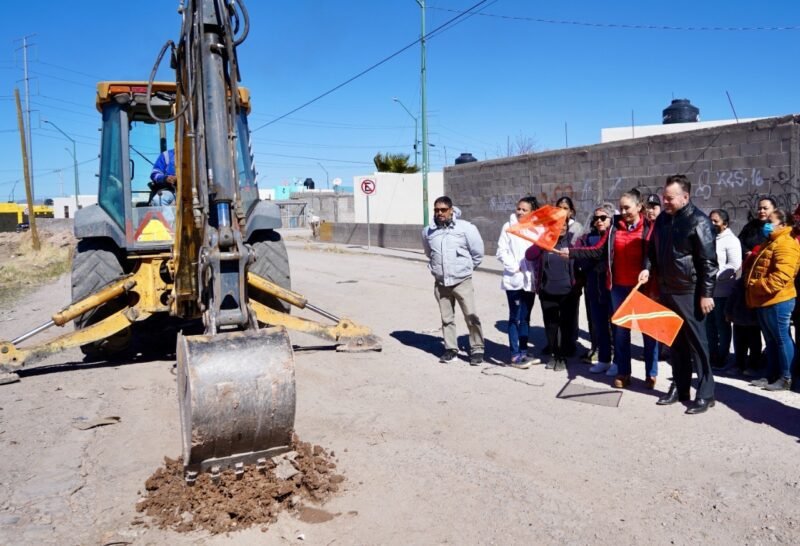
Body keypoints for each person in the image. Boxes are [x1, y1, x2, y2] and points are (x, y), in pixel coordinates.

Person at [639, 175, 719, 414]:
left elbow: (709, 263)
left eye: (670, 198)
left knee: (698, 345)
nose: (665, 202)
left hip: (690, 291)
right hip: (667, 289)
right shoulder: (663, 219)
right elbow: (652, 250)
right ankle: (680, 387)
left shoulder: (699, 222)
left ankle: (706, 393)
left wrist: (706, 294)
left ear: (685, 197)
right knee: (675, 341)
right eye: (664, 197)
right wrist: (647, 268)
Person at [566, 189, 658, 389]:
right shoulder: (614, 226)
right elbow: (598, 249)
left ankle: (651, 373)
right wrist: (572, 252)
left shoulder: (649, 226)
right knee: (621, 332)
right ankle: (624, 373)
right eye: (621, 207)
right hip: (618, 287)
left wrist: (647, 269)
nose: (623, 211)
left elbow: (654, 254)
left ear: (639, 207)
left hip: (643, 287)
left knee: (648, 332)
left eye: (627, 207)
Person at [422, 196, 485, 365]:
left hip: (462, 281)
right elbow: (429, 254)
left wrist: (465, 270)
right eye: (436, 210)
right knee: (446, 318)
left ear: (451, 210)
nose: (439, 213)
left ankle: (477, 348)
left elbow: (478, 254)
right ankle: (451, 349)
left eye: (443, 210)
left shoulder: (466, 228)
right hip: (441, 283)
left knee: (471, 316)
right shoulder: (428, 231)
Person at [744, 208, 800, 391]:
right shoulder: (772, 241)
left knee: (782, 338)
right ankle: (771, 374)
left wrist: (756, 286)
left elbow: (782, 276)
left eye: (771, 221)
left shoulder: (786, 243)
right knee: (771, 340)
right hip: (765, 299)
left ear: (783, 225)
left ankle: (786, 377)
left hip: (778, 299)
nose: (766, 224)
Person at [526, 218, 577, 371]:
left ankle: (562, 356)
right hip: (547, 290)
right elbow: (530, 255)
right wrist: (541, 241)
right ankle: (554, 354)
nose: (561, 228)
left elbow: (582, 258)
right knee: (551, 325)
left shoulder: (573, 241)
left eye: (564, 225)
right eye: (557, 225)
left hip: (568, 292)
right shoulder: (545, 242)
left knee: (566, 325)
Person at [496, 196, 541, 368]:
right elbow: (501, 251)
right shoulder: (508, 227)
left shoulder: (537, 229)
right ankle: (515, 354)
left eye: (524, 210)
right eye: (519, 208)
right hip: (514, 279)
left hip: (530, 280)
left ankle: (523, 350)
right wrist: (515, 267)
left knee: (526, 317)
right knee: (515, 317)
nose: (520, 212)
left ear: (533, 212)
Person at [572, 202, 616, 375]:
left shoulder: (615, 236)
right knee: (599, 325)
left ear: (611, 219)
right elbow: (582, 258)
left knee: (616, 327)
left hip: (611, 287)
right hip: (593, 286)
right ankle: (604, 359)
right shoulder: (589, 237)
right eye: (596, 218)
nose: (599, 221)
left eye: (603, 217)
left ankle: (618, 361)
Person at [736, 196, 777, 377]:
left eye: (765, 208)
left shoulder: (777, 229)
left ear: (773, 210)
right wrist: (748, 252)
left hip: (765, 284)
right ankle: (745, 362)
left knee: (766, 328)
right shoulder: (750, 227)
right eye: (760, 208)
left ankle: (763, 363)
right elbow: (741, 242)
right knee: (747, 325)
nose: (761, 211)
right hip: (748, 280)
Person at [706, 209, 742, 370]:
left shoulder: (731, 240)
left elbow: (733, 265)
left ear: (725, 224)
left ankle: (722, 356)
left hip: (722, 291)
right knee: (709, 326)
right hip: (708, 291)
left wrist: (714, 276)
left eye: (716, 221)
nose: (712, 224)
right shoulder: (709, 237)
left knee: (722, 326)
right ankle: (711, 354)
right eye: (710, 220)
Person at [555, 196, 583, 358]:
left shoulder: (576, 228)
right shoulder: (553, 226)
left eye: (565, 208)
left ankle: (570, 341)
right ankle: (555, 342)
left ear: (571, 211)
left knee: (571, 311)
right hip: (555, 274)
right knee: (556, 312)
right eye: (559, 208)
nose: (562, 211)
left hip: (571, 274)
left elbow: (573, 249)